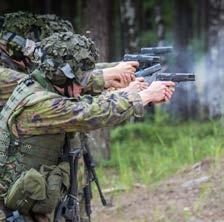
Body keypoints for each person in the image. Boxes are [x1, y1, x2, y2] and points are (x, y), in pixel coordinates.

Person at [0, 31, 175, 221]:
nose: (83, 86)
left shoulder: (36, 84)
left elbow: (81, 104)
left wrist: (126, 92)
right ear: (61, 78)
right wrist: (143, 96)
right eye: (80, 80)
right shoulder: (41, 106)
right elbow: (87, 113)